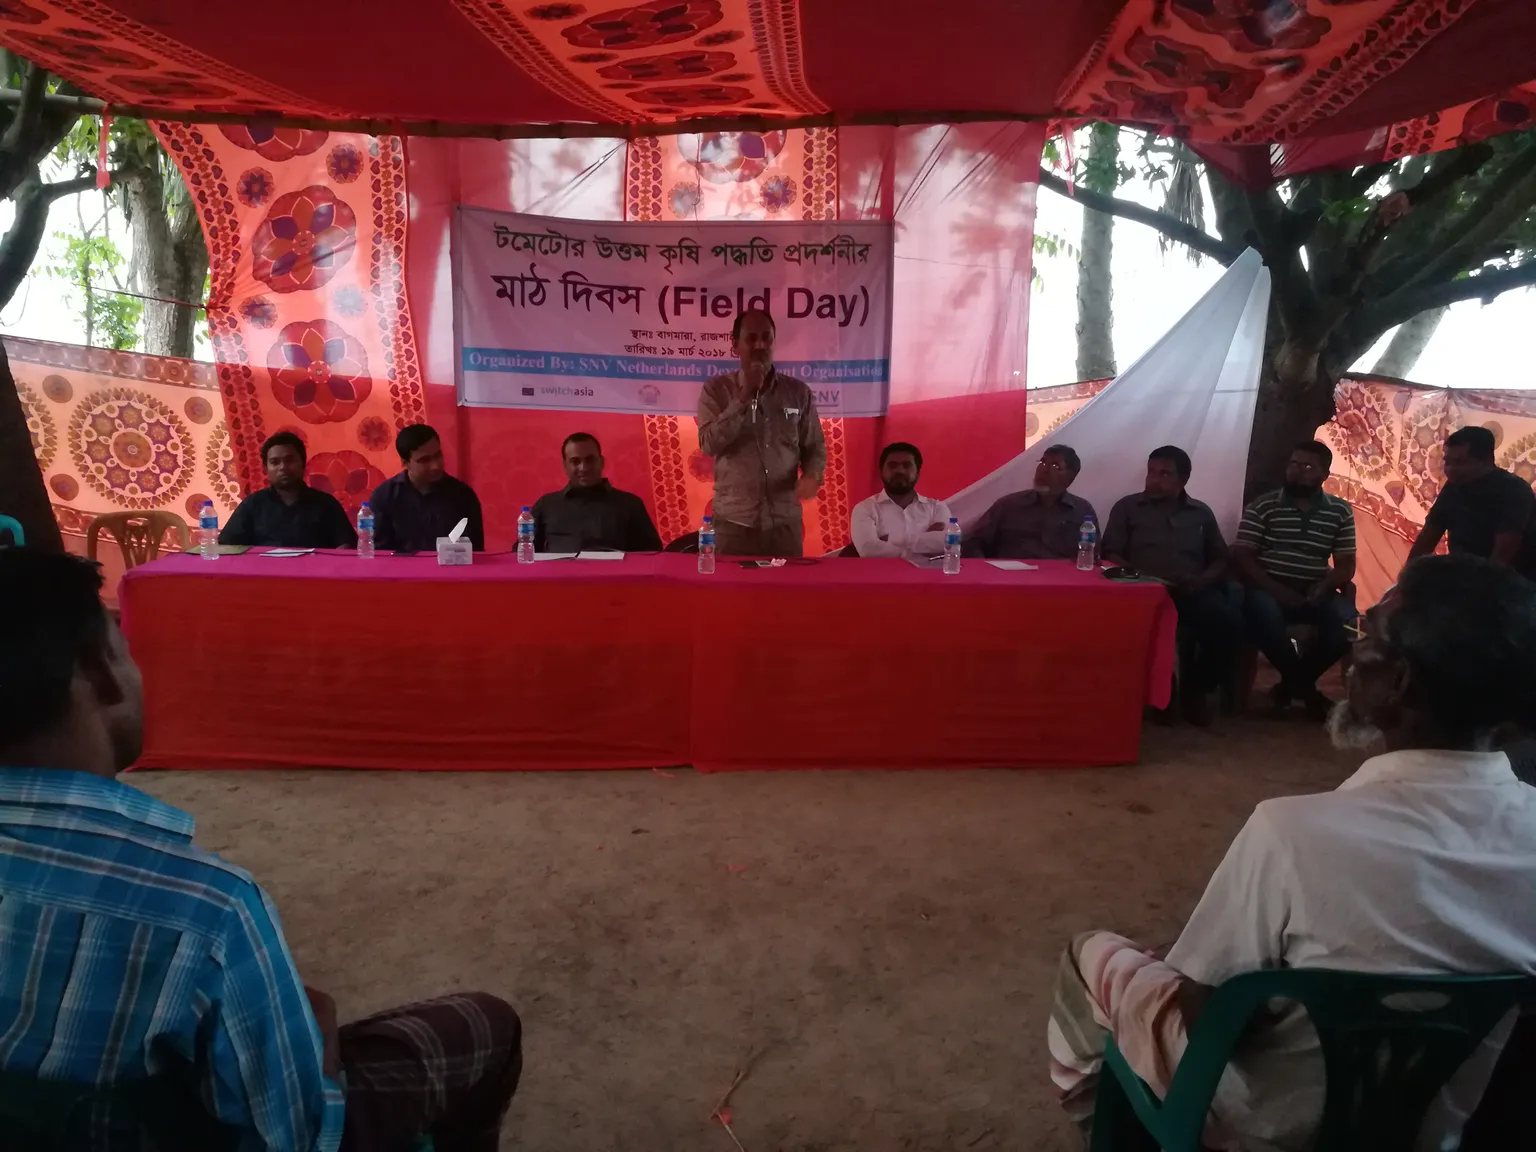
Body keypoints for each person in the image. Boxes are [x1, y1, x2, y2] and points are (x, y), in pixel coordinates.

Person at [0, 548, 522, 1149]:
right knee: (486, 1025)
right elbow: (295, 1135)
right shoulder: (206, 912)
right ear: (99, 671)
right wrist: (321, 1047)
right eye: (123, 645)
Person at [1047, 554, 1536, 1151]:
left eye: (1367, 635)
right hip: (1434, 1127)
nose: (1353, 655)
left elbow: (1211, 1015)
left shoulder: (1293, 832)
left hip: (1271, 1125)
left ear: (1399, 682)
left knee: (1092, 956)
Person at [1101, 445, 1239, 724]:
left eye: (1164, 474)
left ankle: (1197, 687)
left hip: (1191, 590)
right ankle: (1163, 691)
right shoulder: (1127, 508)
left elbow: (1221, 559)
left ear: (1183, 479)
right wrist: (1139, 576)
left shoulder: (1201, 513)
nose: (1154, 479)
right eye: (1151, 472)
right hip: (1143, 590)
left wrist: (1202, 581)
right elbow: (1109, 553)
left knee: (1228, 622)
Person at [1231, 440, 1356, 720]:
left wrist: (1324, 585)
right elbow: (1243, 557)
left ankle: (1291, 686)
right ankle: (1307, 691)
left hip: (1315, 589)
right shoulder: (1263, 506)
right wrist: (1276, 589)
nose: (1297, 472)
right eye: (1293, 465)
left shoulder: (1340, 511)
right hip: (1268, 586)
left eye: (1308, 467)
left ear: (1324, 474)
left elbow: (1346, 565)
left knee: (1352, 625)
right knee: (1264, 617)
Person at [696, 308, 826, 557]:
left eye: (766, 337)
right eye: (751, 338)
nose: (760, 344)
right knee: (732, 596)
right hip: (734, 524)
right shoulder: (716, 391)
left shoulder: (798, 392)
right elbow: (708, 444)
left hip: (783, 524)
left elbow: (815, 447)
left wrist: (813, 474)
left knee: (784, 594)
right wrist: (743, 396)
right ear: (735, 345)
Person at [1406, 425, 1536, 578]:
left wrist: (1474, 594)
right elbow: (1429, 535)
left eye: (1461, 462)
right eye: (1448, 462)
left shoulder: (1513, 491)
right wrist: (1406, 580)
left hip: (1512, 583)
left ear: (1487, 461)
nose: (1450, 469)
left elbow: (1501, 559)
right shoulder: (1455, 486)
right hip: (1467, 574)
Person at [218, 431, 357, 549]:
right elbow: (227, 545)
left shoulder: (326, 504)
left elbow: (347, 546)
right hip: (266, 576)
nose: (283, 467)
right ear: (266, 470)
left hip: (315, 576)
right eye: (275, 462)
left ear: (303, 464)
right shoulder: (253, 504)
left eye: (290, 460)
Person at [531, 432, 662, 552]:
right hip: (559, 577)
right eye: (575, 461)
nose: (583, 468)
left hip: (614, 577)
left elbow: (651, 555)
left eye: (590, 460)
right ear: (565, 466)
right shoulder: (546, 505)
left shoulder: (631, 504)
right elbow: (523, 553)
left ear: (602, 462)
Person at [963, 445, 1096, 560]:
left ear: (1070, 477)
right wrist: (985, 569)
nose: (1044, 470)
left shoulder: (1082, 511)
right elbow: (974, 542)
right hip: (1011, 580)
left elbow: (1093, 554)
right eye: (1042, 463)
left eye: (1055, 466)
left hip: (1062, 582)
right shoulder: (1008, 505)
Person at [370, 424, 485, 553]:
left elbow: (475, 552)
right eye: (424, 460)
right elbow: (379, 553)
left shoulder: (463, 496)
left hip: (451, 571)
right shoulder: (385, 496)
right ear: (405, 462)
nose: (435, 466)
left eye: (438, 455)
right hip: (401, 571)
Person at [848, 442, 952, 559]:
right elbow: (868, 551)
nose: (900, 471)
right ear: (881, 471)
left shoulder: (937, 508)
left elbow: (947, 544)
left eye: (907, 465)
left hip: (928, 576)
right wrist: (925, 538)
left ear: (918, 472)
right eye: (892, 465)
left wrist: (890, 539)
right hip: (881, 575)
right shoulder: (864, 509)